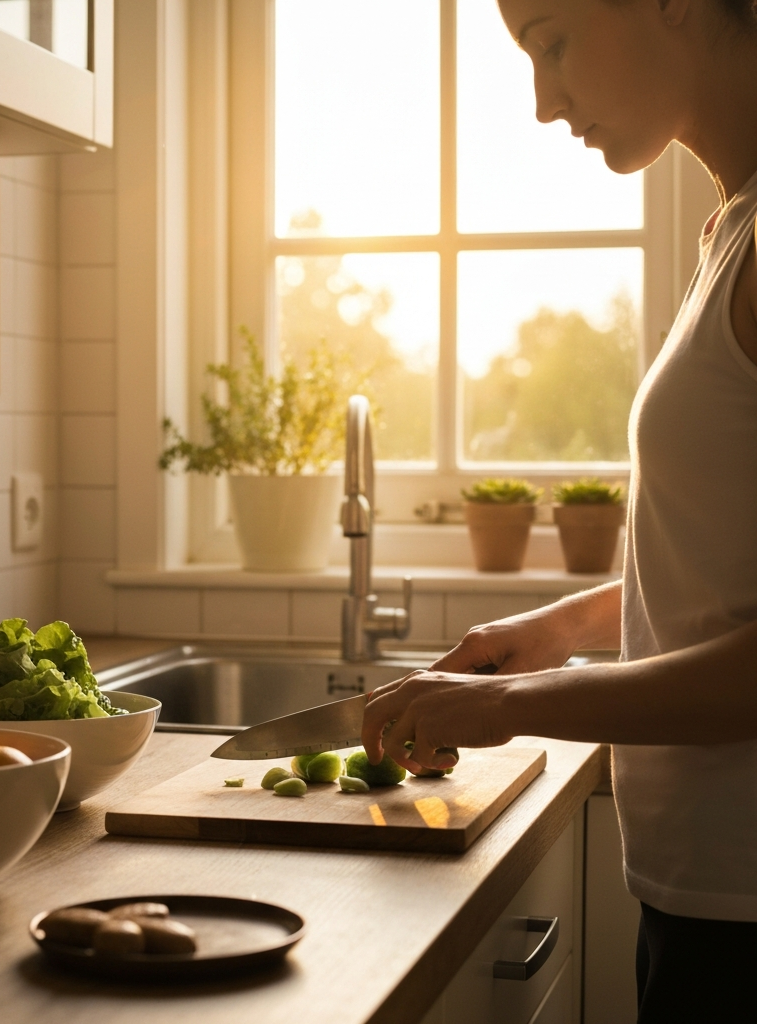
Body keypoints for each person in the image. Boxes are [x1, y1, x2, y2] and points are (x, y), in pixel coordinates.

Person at [361, 1, 757, 1020]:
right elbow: (727, 570)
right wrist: (558, 630)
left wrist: (503, 708)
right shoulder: (731, 228)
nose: (542, 103)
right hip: (705, 887)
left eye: (550, 40)